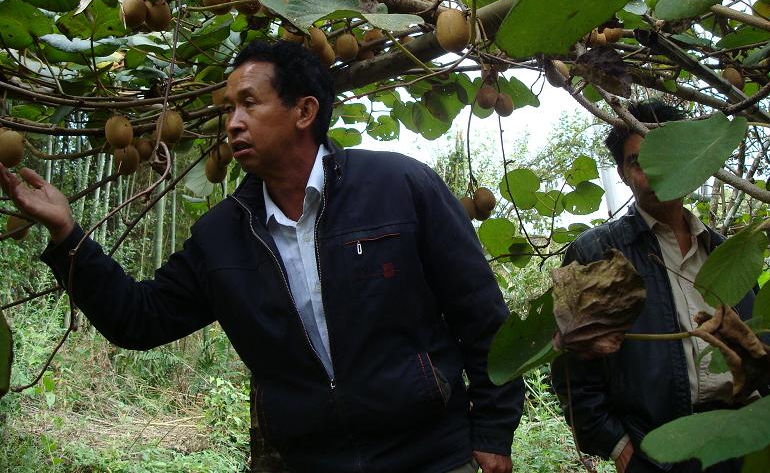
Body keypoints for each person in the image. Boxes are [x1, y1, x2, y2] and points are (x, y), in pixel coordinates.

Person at [0, 40, 524, 473]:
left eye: (249, 103)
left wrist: (494, 433)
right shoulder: (221, 235)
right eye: (229, 107)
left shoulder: (400, 186)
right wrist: (68, 233)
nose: (232, 122)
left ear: (304, 111)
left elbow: (482, 316)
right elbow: (139, 318)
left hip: (431, 457)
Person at [550, 100, 770, 473]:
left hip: (744, 436)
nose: (655, 169)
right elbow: (573, 369)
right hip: (661, 453)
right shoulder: (598, 253)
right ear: (623, 172)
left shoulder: (724, 250)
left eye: (666, 155)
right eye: (638, 161)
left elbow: (761, 345)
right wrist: (617, 445)